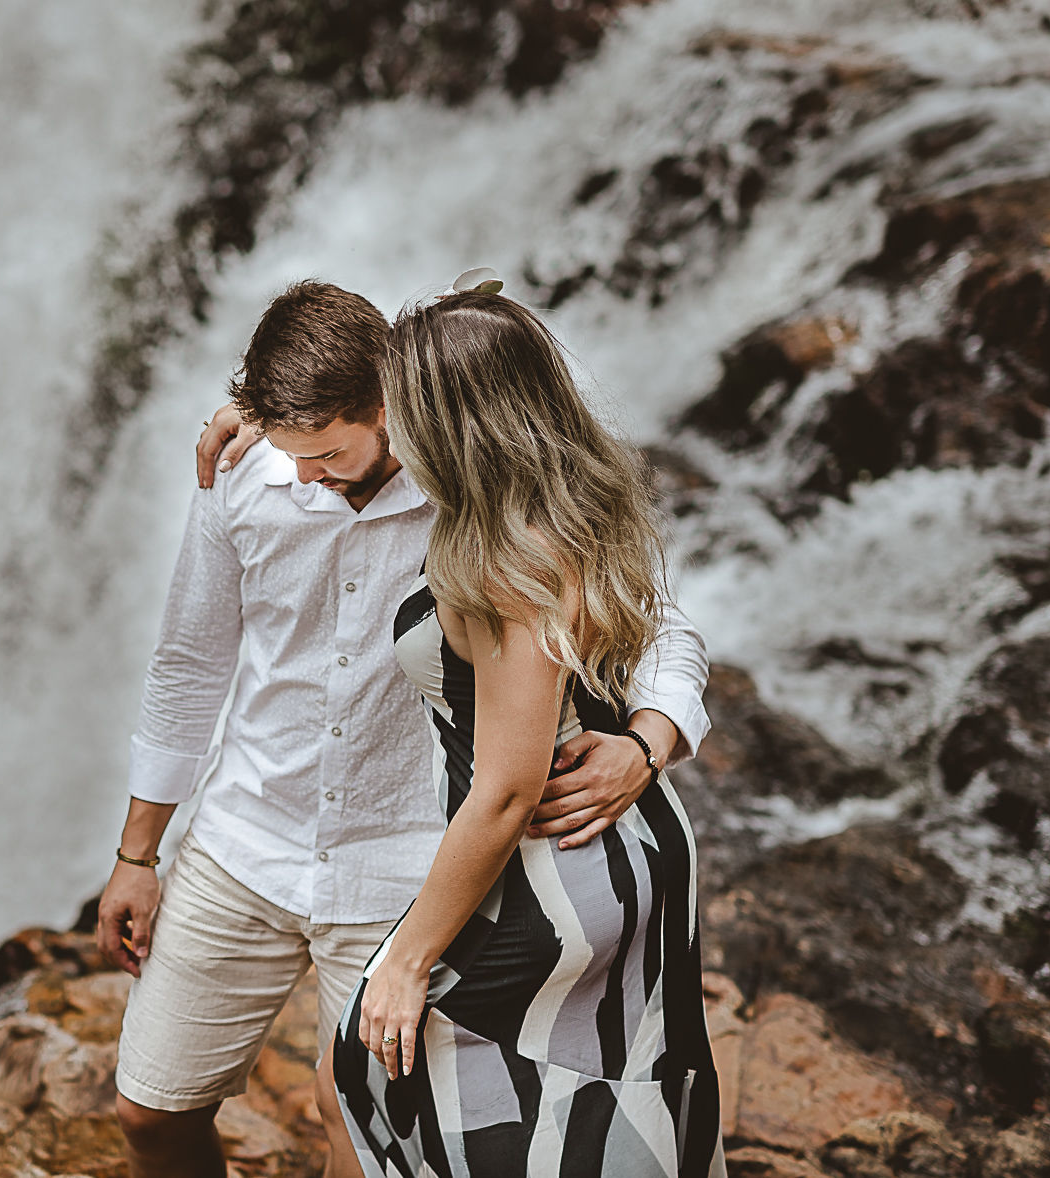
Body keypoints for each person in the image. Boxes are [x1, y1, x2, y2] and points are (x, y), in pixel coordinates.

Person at [94, 281, 712, 1178]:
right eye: (286, 446)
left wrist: (648, 740)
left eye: (331, 451)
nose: (306, 472)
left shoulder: (477, 488)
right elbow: (189, 664)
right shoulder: (244, 468)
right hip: (244, 840)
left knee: (372, 1133)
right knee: (149, 1110)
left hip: (411, 870)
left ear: (389, 408)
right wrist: (136, 854)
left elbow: (657, 623)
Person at [330, 283, 725, 1177]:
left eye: (400, 409)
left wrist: (406, 961)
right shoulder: (575, 500)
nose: (389, 427)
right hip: (623, 848)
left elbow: (505, 790)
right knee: (602, 1095)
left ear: (451, 422)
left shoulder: (509, 561)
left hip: (548, 866)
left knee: (391, 1080)